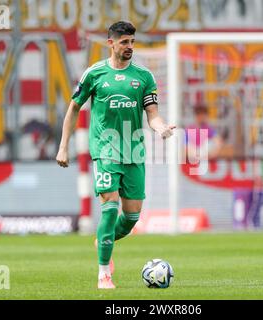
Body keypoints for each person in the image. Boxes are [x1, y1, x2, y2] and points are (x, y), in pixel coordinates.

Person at [56, 21, 175, 289]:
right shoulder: (95, 74)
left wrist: (162, 128)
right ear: (111, 43)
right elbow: (74, 108)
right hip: (105, 150)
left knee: (131, 217)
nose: (129, 47)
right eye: (124, 42)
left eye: (132, 42)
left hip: (133, 151)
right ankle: (103, 273)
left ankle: (104, 239)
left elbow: (152, 115)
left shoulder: (144, 77)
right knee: (109, 207)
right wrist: (64, 146)